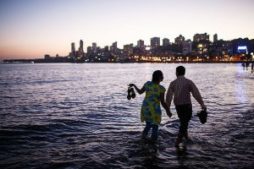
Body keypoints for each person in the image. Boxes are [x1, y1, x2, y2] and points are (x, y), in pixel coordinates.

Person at [166, 66, 206, 147]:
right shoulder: (189, 82)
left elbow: (168, 97)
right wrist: (202, 103)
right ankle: (178, 142)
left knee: (183, 122)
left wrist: (168, 109)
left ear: (176, 73)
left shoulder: (173, 83)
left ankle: (186, 137)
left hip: (178, 106)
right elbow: (196, 93)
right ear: (184, 72)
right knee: (184, 123)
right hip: (187, 105)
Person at [129, 70, 172, 142]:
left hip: (146, 108)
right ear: (159, 77)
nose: (163, 77)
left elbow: (139, 92)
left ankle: (143, 138)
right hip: (154, 110)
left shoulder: (147, 84)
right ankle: (153, 143)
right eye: (162, 76)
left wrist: (134, 85)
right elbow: (162, 102)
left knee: (148, 125)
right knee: (155, 127)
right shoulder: (161, 88)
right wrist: (168, 111)